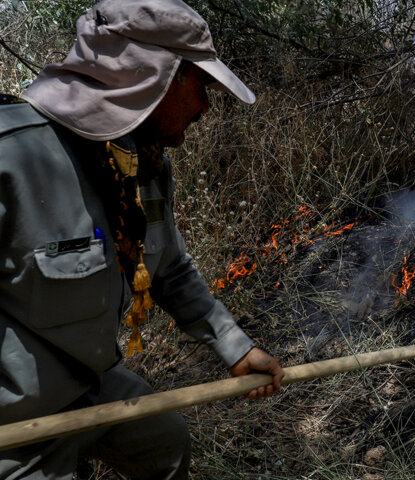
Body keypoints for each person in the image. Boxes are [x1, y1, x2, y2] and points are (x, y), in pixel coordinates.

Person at [0, 0, 283, 478]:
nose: (206, 108)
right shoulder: (11, 158)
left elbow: (167, 267)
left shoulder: (141, 165)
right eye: (200, 87)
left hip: (88, 385)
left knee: (165, 444)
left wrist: (233, 345)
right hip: (15, 420)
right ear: (153, 76)